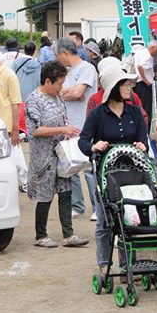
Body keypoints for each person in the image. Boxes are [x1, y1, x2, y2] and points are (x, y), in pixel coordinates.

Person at [78, 64, 148, 274]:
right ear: (113, 87)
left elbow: (142, 137)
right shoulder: (98, 113)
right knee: (104, 221)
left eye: (129, 83)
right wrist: (93, 146)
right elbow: (83, 140)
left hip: (132, 173)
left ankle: (129, 265)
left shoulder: (134, 111)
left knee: (131, 219)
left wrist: (141, 145)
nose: (129, 87)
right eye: (125, 84)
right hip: (106, 174)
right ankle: (104, 264)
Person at [25, 60, 89, 248]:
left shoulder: (57, 97)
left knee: (66, 191)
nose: (62, 87)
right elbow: (34, 130)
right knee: (44, 196)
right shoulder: (33, 100)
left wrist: (67, 131)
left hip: (61, 155)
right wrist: (63, 129)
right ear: (47, 81)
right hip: (43, 156)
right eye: (59, 83)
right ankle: (41, 235)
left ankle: (68, 235)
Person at [54, 38, 98, 218]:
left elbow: (78, 93)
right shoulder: (68, 71)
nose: (57, 59)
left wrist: (70, 92)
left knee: (89, 168)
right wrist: (70, 92)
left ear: (65, 53)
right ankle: (78, 206)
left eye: (57, 55)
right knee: (71, 167)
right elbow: (60, 93)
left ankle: (97, 207)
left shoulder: (87, 68)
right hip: (69, 125)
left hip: (86, 124)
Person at [132, 40, 157, 130]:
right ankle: (145, 132)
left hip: (138, 84)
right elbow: (140, 66)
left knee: (139, 108)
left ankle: (140, 130)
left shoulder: (138, 53)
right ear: (151, 48)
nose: (156, 53)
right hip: (144, 85)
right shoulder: (147, 55)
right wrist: (145, 79)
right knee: (146, 109)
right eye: (156, 51)